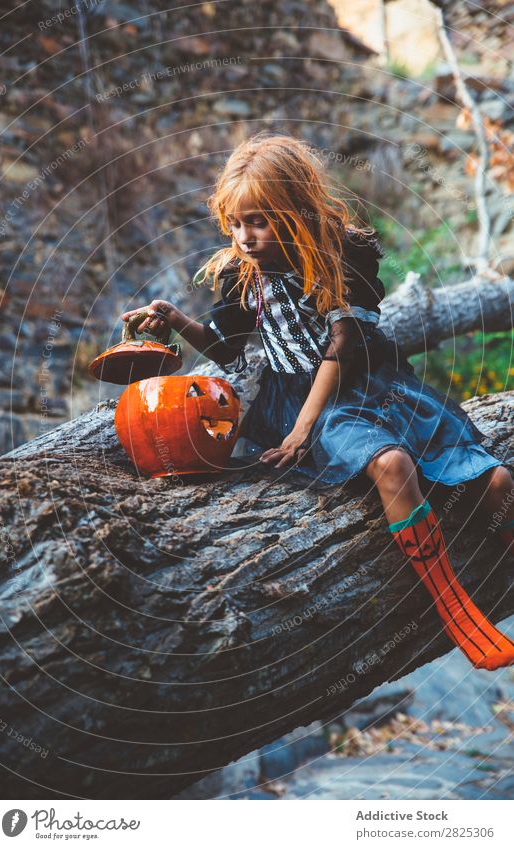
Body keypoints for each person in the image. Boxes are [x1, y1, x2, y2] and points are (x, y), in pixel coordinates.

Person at [122, 132, 514, 671]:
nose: (244, 236)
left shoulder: (342, 253)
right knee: (392, 464)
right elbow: (229, 349)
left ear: (294, 208)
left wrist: (302, 432)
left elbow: (344, 346)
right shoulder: (243, 274)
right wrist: (177, 319)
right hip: (302, 395)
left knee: (496, 481)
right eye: (235, 223)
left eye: (258, 220)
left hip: (370, 382)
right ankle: (456, 610)